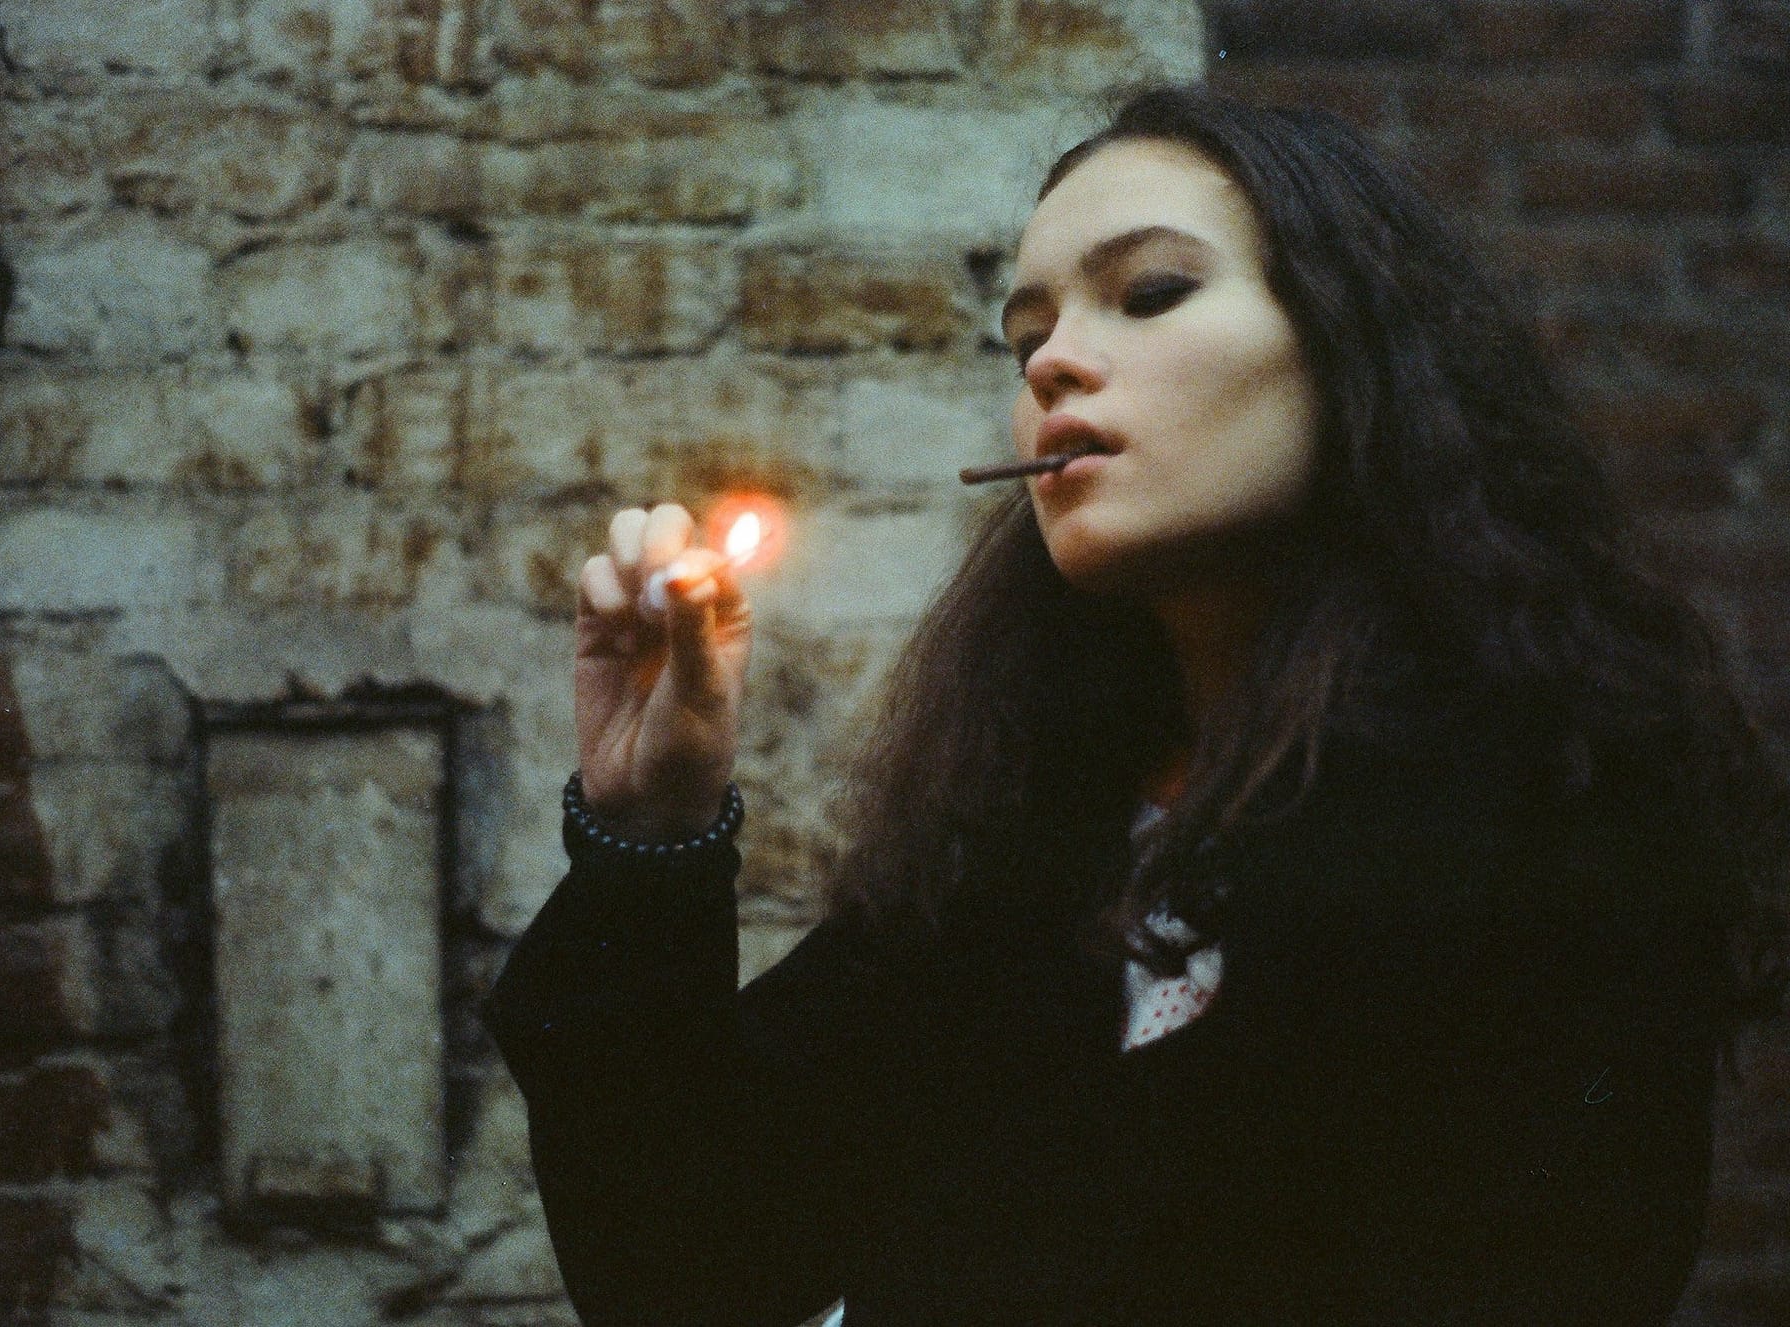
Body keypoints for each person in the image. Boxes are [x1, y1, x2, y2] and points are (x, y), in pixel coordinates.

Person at [481, 85, 1790, 1326]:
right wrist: (650, 833)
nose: (1054, 364)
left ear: (1351, 345)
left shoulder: (1549, 813)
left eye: (1150, 293)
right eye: (1026, 333)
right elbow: (690, 1269)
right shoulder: (1031, 846)